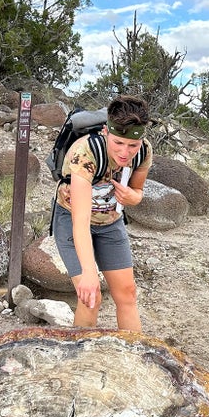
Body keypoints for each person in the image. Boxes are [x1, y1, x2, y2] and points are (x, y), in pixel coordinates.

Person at [52, 94, 153, 331]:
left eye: (132, 145)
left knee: (127, 294)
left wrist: (133, 197)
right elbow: (81, 220)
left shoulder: (143, 152)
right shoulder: (85, 153)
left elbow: (138, 191)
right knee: (91, 297)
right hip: (72, 219)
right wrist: (89, 274)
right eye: (118, 143)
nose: (125, 153)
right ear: (107, 132)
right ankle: (80, 360)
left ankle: (132, 358)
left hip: (110, 220)